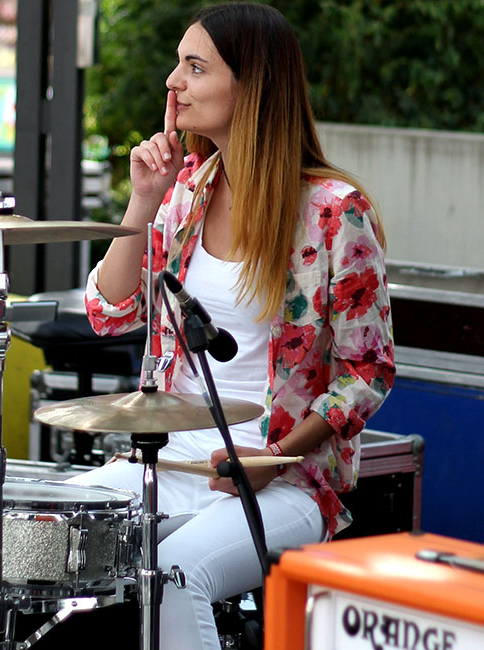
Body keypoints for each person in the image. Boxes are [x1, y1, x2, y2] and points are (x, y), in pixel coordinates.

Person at [71, 3, 394, 648]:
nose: (173, 81)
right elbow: (109, 312)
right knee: (41, 532)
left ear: (252, 87)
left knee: (173, 572)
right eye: (177, 64)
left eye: (195, 66)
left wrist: (273, 458)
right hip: (168, 457)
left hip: (287, 476)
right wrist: (143, 198)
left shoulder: (334, 212)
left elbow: (369, 370)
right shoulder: (185, 195)